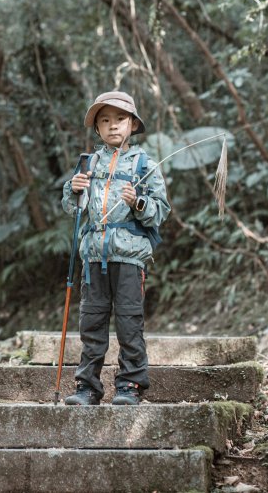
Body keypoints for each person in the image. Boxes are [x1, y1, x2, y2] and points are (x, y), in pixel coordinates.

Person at [60, 91, 170, 406]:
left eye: (120, 119)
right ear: (97, 128)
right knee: (91, 323)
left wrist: (138, 202)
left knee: (128, 322)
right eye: (105, 120)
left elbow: (160, 211)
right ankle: (87, 387)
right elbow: (75, 208)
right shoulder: (88, 163)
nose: (113, 126)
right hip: (94, 257)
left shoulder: (145, 165)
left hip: (130, 258)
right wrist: (73, 190)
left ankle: (130, 385)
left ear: (133, 124)